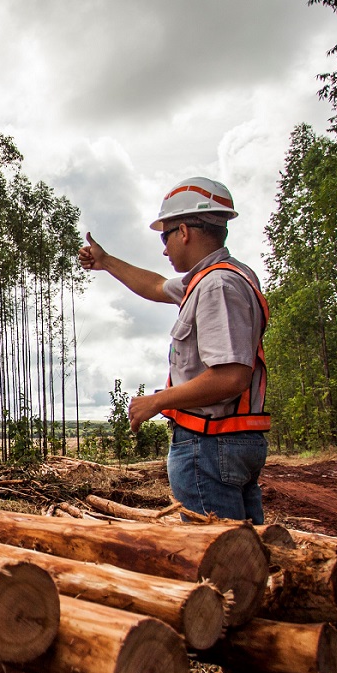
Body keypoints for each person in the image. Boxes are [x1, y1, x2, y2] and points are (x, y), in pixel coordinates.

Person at [78, 177, 269, 524]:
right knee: (249, 556)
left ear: (184, 231)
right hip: (229, 442)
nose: (164, 249)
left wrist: (158, 400)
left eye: (164, 236)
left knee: (218, 561)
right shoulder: (219, 277)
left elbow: (231, 376)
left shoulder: (217, 285)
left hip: (210, 444)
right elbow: (154, 285)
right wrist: (106, 261)